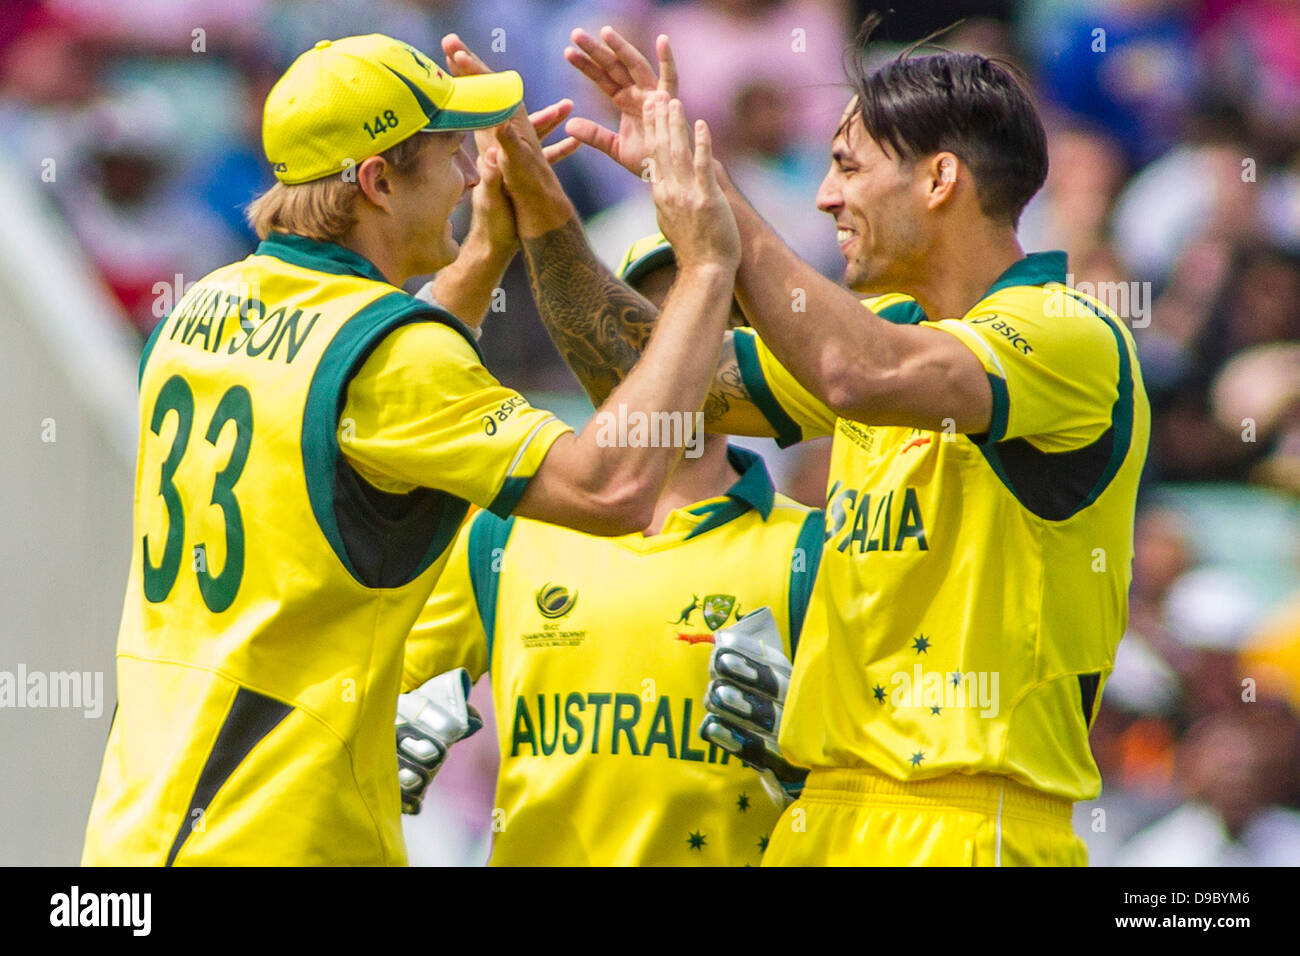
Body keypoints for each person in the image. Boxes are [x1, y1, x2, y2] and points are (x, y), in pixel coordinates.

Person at [81, 32, 740, 865]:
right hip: (282, 833)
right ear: (378, 182)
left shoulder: (201, 306)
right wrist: (709, 268)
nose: (471, 175)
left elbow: (375, 398)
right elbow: (610, 490)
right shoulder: (388, 357)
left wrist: (485, 249)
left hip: (136, 829)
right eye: (450, 154)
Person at [512, 20, 1151, 865]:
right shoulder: (884, 328)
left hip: (966, 823)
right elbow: (649, 377)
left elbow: (860, 373)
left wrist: (718, 213)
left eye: (848, 167)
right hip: (821, 817)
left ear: (940, 180)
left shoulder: (1068, 333)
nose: (824, 197)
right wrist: (542, 212)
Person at [398, 234, 825, 865]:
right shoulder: (503, 530)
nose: (672, 352)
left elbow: (867, 785)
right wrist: (390, 741)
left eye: (706, 322)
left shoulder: (811, 550)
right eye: (644, 322)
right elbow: (370, 701)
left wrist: (802, 765)